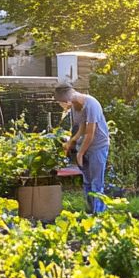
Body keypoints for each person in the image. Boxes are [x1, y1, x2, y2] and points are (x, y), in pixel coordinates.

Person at [54, 83, 110, 213]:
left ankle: (99, 215)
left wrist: (80, 153)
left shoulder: (91, 104)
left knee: (96, 183)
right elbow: (81, 128)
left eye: (60, 103)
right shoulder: (75, 106)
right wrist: (72, 141)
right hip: (84, 147)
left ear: (67, 100)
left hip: (98, 146)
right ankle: (89, 212)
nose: (62, 106)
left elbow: (90, 133)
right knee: (87, 182)